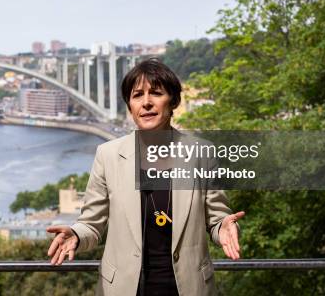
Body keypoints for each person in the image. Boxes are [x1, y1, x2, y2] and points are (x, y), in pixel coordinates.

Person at [47, 58, 244, 296]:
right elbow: (92, 223)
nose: (146, 102)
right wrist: (76, 234)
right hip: (123, 288)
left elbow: (216, 219)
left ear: (173, 102)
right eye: (137, 95)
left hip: (188, 287)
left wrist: (224, 227)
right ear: (130, 107)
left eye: (156, 93)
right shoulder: (108, 155)